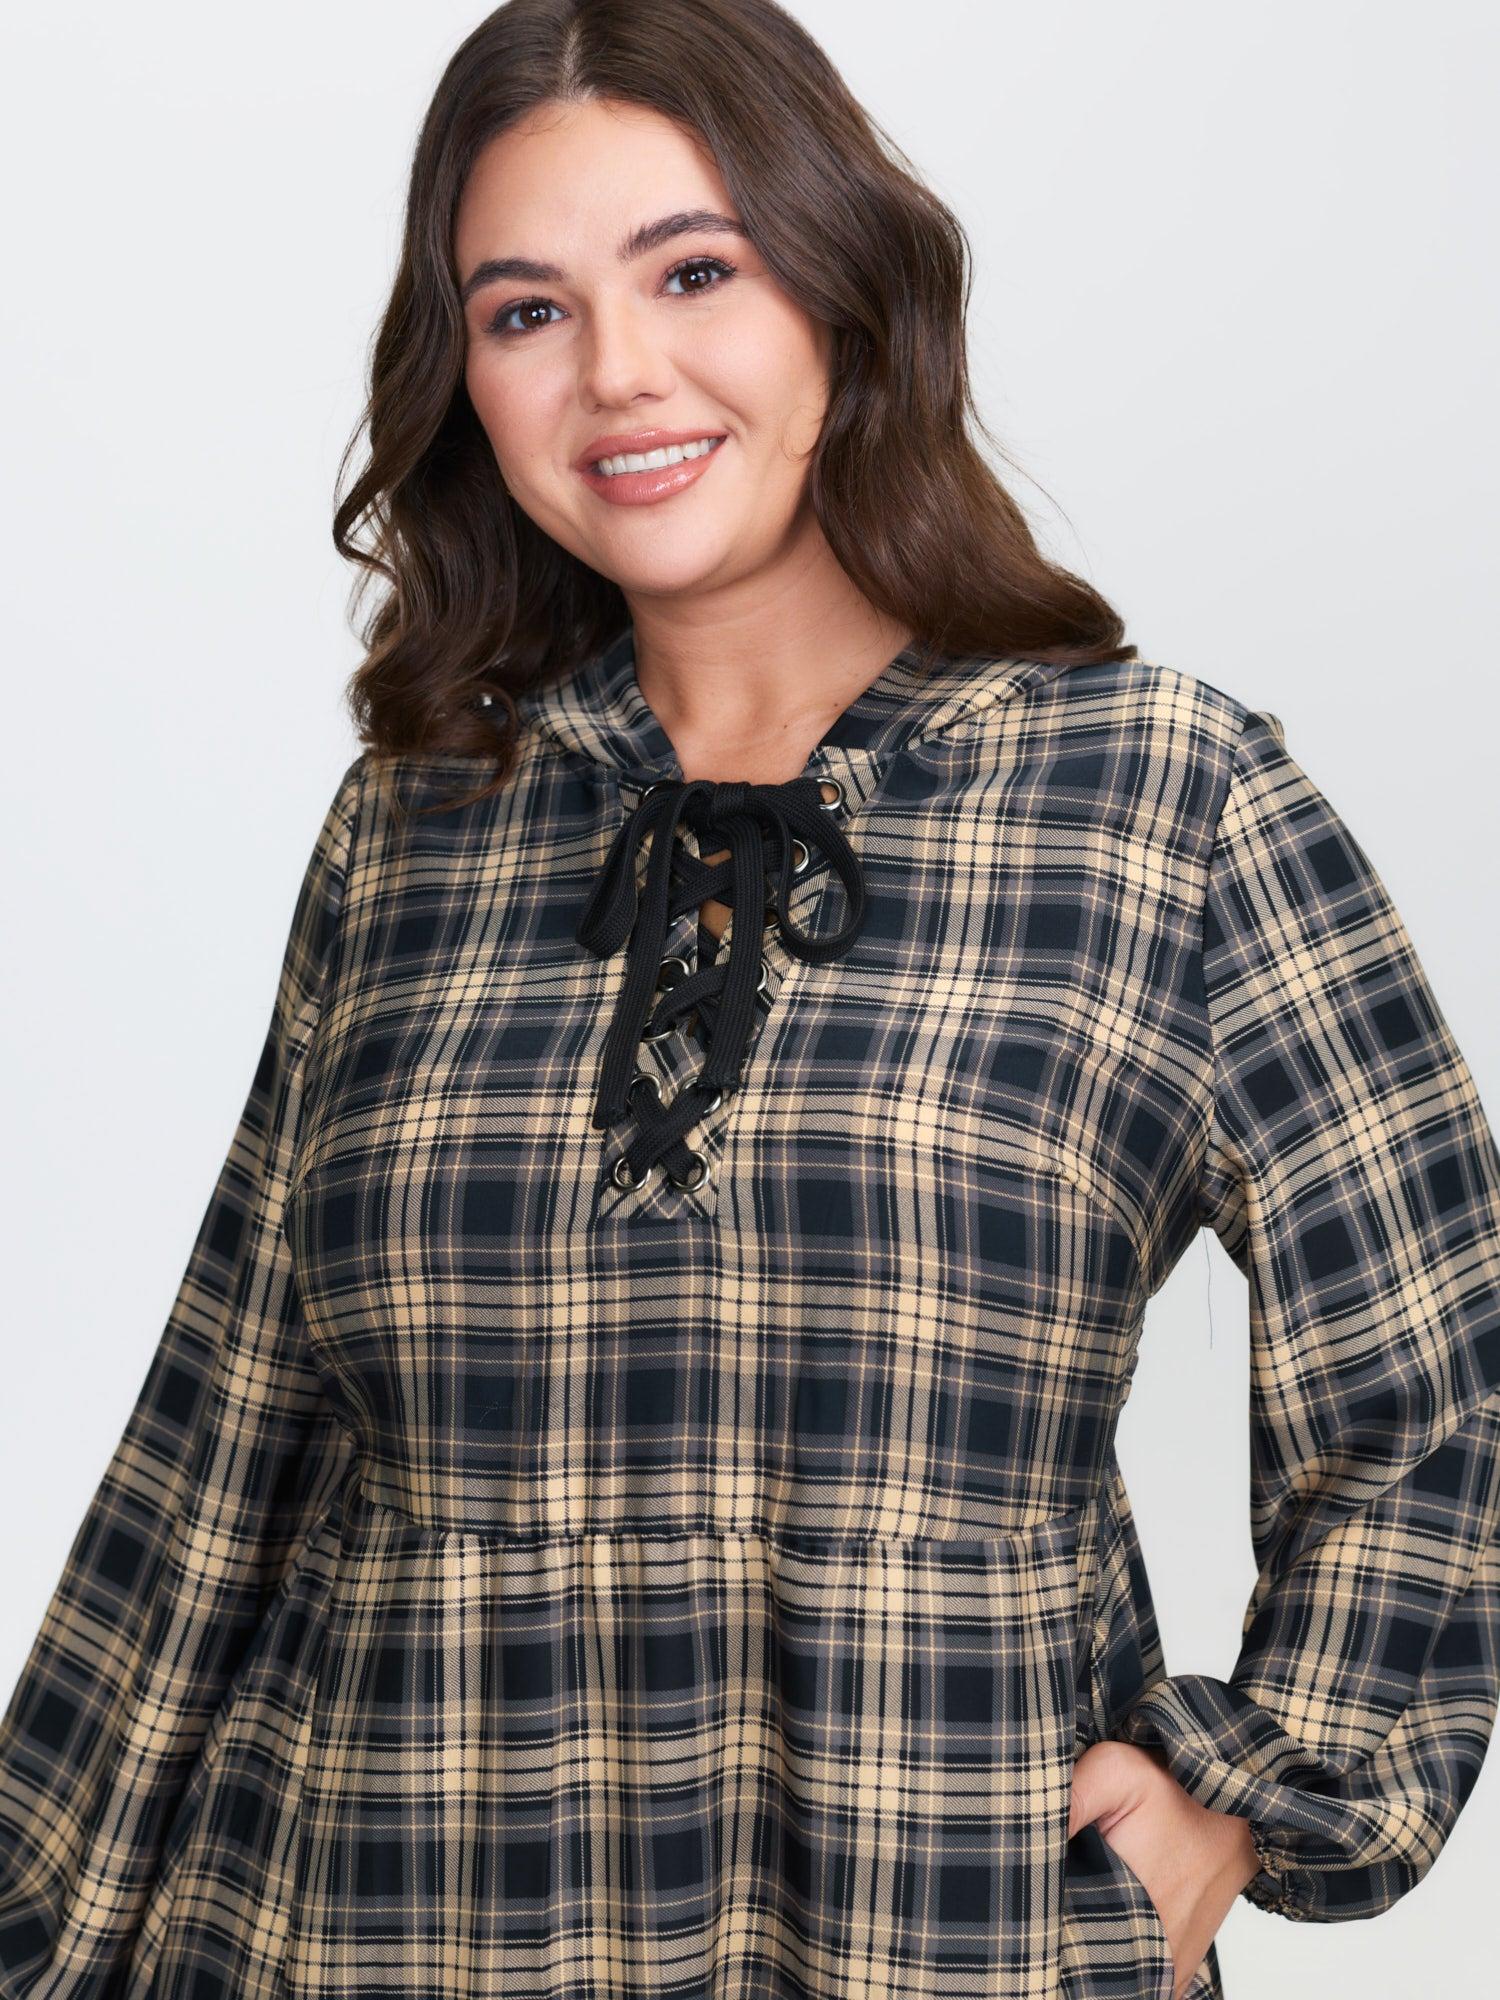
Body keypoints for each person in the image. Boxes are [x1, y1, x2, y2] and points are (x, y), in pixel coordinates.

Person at [3, 2, 1497, 1996]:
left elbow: (1440, 1376)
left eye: (694, 272)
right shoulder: (415, 826)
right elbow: (225, 1439)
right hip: (365, 1915)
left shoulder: (1165, 799)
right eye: (526, 311)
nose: (617, 370)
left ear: (844, 299)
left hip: (925, 1926)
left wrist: (1262, 1783)